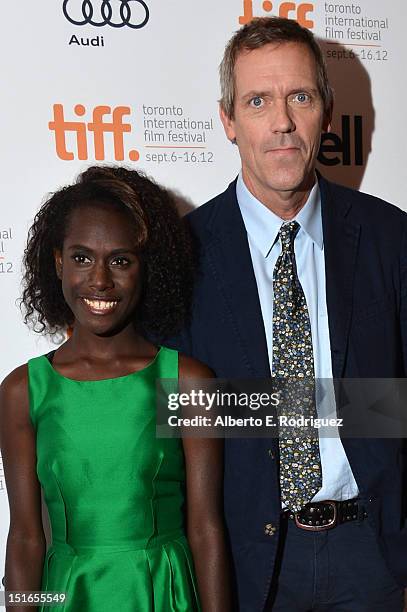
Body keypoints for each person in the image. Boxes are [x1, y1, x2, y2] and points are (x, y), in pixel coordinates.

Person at [167, 16, 407, 612]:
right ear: (227, 120)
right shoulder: (183, 255)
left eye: (299, 96)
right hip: (244, 564)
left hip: (373, 555)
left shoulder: (389, 236)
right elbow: (176, 414)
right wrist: (364, 402)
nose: (281, 123)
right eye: (257, 101)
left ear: (326, 110)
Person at [0, 165, 231, 612]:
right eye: (82, 257)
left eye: (121, 260)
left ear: (148, 269)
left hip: (164, 594)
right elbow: (26, 537)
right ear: (57, 262)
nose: (100, 280)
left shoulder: (186, 381)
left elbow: (206, 529)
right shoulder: (23, 390)